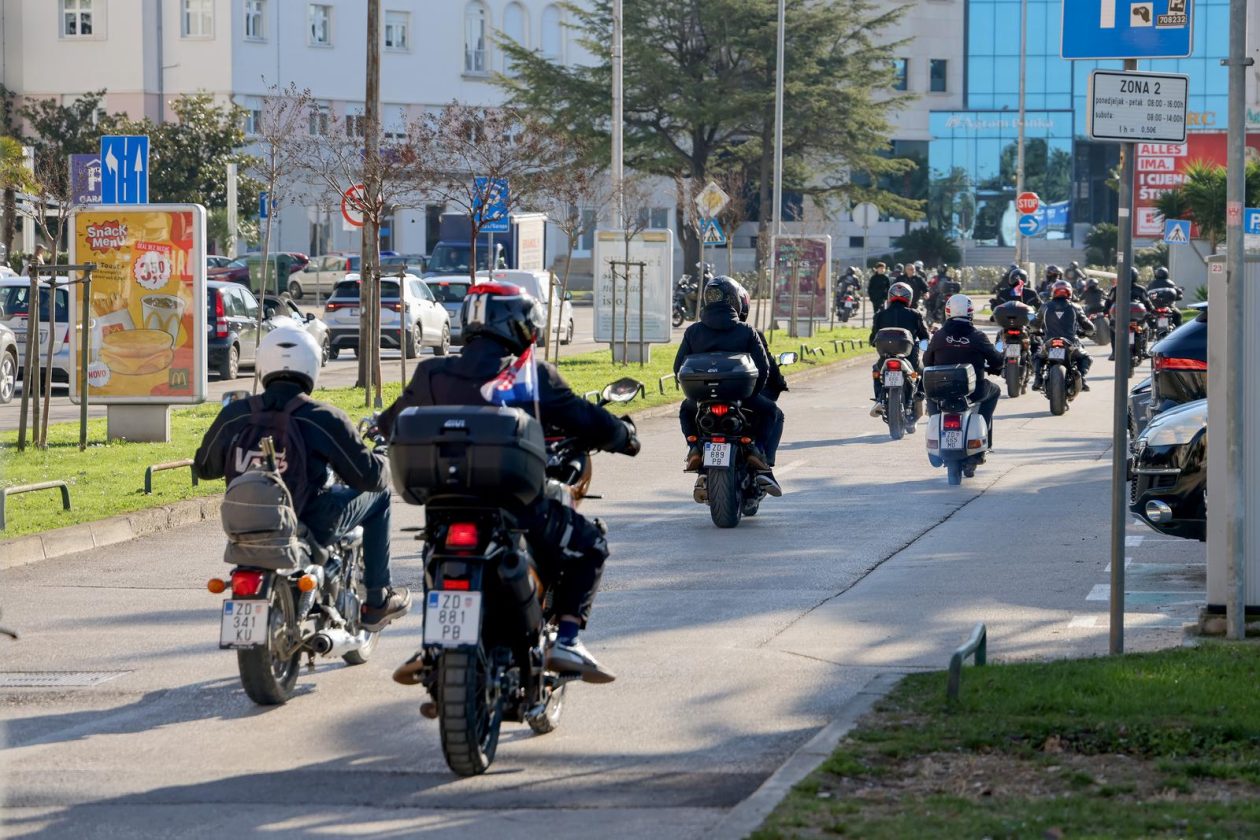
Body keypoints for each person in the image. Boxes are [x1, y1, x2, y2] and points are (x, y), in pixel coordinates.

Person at [377, 281, 639, 684]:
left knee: (434, 551)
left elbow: (388, 423)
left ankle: (434, 643)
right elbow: (587, 419)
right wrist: (624, 436)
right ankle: (566, 638)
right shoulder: (530, 376)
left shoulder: (431, 373)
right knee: (590, 543)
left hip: (447, 506)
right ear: (518, 324)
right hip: (518, 510)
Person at [194, 326, 411, 631]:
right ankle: (377, 599)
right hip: (308, 518)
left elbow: (204, 467)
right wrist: (384, 458)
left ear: (262, 365)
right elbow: (369, 478)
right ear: (311, 365)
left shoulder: (236, 414)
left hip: (242, 521)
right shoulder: (321, 417)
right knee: (381, 497)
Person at [674, 276, 781, 495]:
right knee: (773, 412)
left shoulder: (693, 331)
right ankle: (760, 455)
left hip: (701, 398)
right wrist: (754, 392)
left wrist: (694, 394)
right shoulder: (746, 331)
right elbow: (763, 369)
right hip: (741, 395)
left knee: (686, 410)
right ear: (736, 301)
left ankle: (694, 447)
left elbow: (678, 367)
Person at [924, 294, 1004, 454]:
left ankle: (935, 429)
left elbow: (927, 361)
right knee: (995, 391)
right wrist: (996, 366)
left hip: (942, 391)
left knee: (930, 396)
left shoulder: (938, 336)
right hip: (974, 392)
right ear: (970, 313)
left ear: (947, 312)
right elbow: (996, 360)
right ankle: (985, 438)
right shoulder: (978, 336)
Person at [869, 281, 929, 416]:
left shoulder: (880, 315)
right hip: (909, 359)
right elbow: (924, 336)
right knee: (923, 371)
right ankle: (920, 395)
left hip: (885, 358)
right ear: (909, 297)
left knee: (876, 371)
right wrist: (925, 345)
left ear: (890, 296)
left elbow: (873, 338)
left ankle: (879, 398)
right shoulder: (914, 314)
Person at [1032, 279, 1095, 392]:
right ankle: (1083, 380)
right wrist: (1088, 332)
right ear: (1069, 292)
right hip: (1071, 344)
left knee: (1038, 357)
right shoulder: (1075, 307)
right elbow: (1088, 326)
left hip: (1049, 343)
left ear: (1053, 292)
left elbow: (1034, 324)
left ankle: (1037, 379)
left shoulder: (1045, 307)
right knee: (1086, 358)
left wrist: (1035, 330)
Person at [1104, 267, 1155, 360]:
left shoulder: (1116, 289)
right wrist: (1151, 311)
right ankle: (1144, 350)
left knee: (1113, 328)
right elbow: (1148, 304)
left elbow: (1108, 302)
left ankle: (1114, 352)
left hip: (1121, 322)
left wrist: (1105, 311)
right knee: (1145, 328)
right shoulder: (1141, 289)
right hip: (1136, 322)